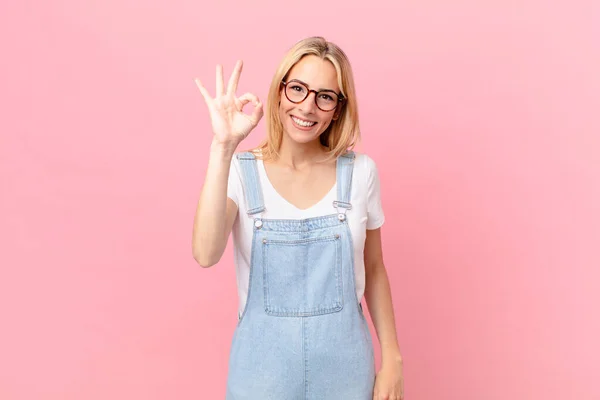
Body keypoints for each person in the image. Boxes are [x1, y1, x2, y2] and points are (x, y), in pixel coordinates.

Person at [192, 36, 404, 400]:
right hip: (260, 377)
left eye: (324, 96)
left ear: (337, 108)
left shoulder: (361, 174)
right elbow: (205, 254)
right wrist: (223, 147)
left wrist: (394, 359)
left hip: (346, 374)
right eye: (298, 89)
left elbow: (374, 267)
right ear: (279, 93)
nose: (308, 107)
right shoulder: (241, 173)